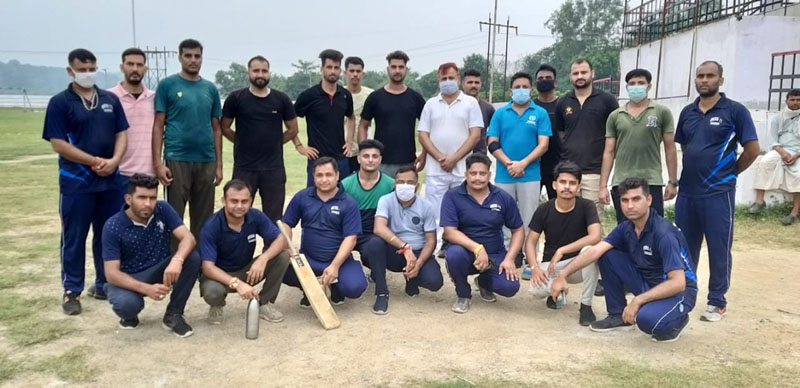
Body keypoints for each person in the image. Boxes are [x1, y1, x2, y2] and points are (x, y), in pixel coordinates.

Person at [551, 177, 698, 342]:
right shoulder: (627, 227)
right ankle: (617, 315)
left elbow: (678, 283)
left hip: (679, 292)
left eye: (636, 199)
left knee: (648, 321)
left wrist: (638, 300)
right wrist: (562, 275)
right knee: (606, 254)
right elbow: (595, 250)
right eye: (625, 200)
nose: (630, 206)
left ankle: (678, 320)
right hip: (648, 283)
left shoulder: (664, 234)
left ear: (649, 200)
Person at [43, 48, 129, 314]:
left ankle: (105, 283)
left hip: (111, 181)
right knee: (74, 236)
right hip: (76, 182)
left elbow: (122, 133)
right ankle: (72, 291)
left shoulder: (110, 100)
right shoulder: (60, 102)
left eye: (92, 68)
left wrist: (114, 160)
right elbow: (58, 143)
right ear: (71, 71)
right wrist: (92, 161)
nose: (88, 73)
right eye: (82, 68)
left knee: (107, 234)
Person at [674, 61, 759, 322]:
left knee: (719, 248)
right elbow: (686, 149)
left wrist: (729, 174)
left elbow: (752, 150)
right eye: (700, 76)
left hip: (718, 195)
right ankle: (685, 296)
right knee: (685, 249)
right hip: (687, 194)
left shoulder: (735, 111)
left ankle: (717, 301)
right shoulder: (687, 112)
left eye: (710, 76)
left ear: (720, 80)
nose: (704, 80)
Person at [102, 174, 202, 337]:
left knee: (192, 258)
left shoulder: (162, 209)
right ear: (128, 199)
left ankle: (173, 314)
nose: (148, 204)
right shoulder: (113, 226)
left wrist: (177, 260)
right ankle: (129, 313)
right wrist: (147, 289)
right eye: (141, 198)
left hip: (159, 269)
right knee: (127, 306)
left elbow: (188, 238)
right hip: (130, 277)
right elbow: (111, 273)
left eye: (152, 198)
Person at [152, 38, 223, 242]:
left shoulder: (210, 89)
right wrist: (158, 163)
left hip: (206, 160)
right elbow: (158, 125)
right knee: (173, 218)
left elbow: (216, 129)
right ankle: (175, 266)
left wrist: (218, 165)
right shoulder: (167, 85)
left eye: (197, 56)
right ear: (180, 57)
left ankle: (201, 266)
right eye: (188, 56)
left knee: (204, 219)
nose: (193, 60)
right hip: (177, 158)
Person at [198, 179, 291, 325]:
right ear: (224, 201)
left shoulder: (255, 216)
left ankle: (264, 303)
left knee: (283, 256)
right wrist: (236, 284)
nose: (239, 206)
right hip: (219, 275)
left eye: (244, 201)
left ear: (251, 200)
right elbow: (208, 268)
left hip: (247, 270)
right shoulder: (211, 226)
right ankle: (217, 305)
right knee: (212, 292)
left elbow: (282, 239)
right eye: (234, 201)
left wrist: (262, 259)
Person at [441, 154, 524, 313]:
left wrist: (510, 258)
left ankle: (484, 282)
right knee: (454, 255)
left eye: (482, 173)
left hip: (493, 256)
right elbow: (449, 232)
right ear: (466, 175)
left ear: (489, 175)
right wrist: (477, 248)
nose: (477, 178)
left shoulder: (502, 197)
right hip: (465, 255)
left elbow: (518, 229)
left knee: (510, 287)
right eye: (473, 173)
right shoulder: (453, 196)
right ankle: (463, 294)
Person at [220, 55, 298, 223]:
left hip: (273, 168)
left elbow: (292, 130)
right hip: (244, 167)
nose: (260, 75)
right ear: (248, 72)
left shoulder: (281, 99)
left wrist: (274, 142)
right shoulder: (236, 98)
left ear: (269, 73)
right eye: (256, 71)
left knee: (274, 217)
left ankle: (273, 249)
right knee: (237, 214)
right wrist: (242, 140)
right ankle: (239, 248)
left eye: (264, 71)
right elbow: (224, 127)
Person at [487, 71, 551, 272]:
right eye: (518, 87)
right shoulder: (500, 113)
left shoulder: (539, 113)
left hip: (530, 175)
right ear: (510, 90)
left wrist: (522, 163)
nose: (521, 90)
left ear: (531, 90)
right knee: (504, 217)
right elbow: (492, 143)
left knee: (530, 218)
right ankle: (509, 256)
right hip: (504, 175)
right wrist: (509, 164)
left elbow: (543, 145)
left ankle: (529, 262)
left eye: (525, 87)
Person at [281, 157, 368, 306]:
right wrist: (288, 246)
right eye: (319, 175)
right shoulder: (302, 197)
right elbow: (286, 224)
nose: (324, 179)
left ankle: (336, 287)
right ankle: (310, 290)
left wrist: (335, 266)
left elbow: (351, 238)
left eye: (328, 175)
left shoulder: (348, 202)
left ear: (337, 175)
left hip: (339, 262)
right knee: (279, 268)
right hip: (309, 259)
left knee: (355, 287)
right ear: (313, 177)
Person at [525, 161, 602, 326]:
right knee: (535, 290)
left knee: (591, 251)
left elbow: (595, 236)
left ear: (578, 187)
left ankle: (586, 305)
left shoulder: (586, 206)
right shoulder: (544, 209)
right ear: (554, 184)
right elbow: (530, 242)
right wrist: (534, 268)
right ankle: (555, 293)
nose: (567, 187)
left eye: (572, 183)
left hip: (579, 265)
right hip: (553, 266)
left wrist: (562, 250)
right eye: (563, 182)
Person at [418, 62, 484, 249]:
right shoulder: (430, 104)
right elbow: (423, 134)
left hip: (462, 167)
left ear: (459, 79)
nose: (448, 82)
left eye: (451, 78)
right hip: (435, 167)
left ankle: (459, 244)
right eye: (444, 78)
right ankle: (435, 245)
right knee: (435, 209)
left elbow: (475, 135)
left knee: (462, 206)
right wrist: (440, 157)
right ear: (439, 80)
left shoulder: (470, 103)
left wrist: (454, 158)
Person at [600, 68, 678, 224]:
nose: (636, 87)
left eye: (641, 83)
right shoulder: (615, 116)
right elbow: (609, 152)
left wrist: (672, 181)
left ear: (649, 86)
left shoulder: (661, 112)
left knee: (654, 227)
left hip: (651, 181)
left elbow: (670, 148)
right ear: (627, 87)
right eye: (632, 84)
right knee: (625, 228)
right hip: (621, 180)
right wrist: (603, 186)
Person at [363, 166, 443, 314]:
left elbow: (431, 241)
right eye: (400, 182)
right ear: (394, 184)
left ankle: (412, 278)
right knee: (373, 244)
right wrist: (405, 247)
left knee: (434, 282)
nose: (404, 186)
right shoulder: (385, 200)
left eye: (410, 182)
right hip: (395, 251)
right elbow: (379, 228)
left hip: (418, 252)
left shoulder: (426, 206)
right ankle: (381, 292)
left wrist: (418, 264)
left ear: (417, 186)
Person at [553, 58, 619, 218]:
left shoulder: (607, 100)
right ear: (570, 76)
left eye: (584, 72)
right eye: (575, 73)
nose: (579, 76)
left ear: (592, 74)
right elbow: (561, 133)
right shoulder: (563, 102)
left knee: (594, 220)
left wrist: (604, 182)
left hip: (594, 172)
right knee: (568, 220)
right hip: (568, 171)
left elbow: (614, 137)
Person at [358, 50, 426, 177]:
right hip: (381, 161)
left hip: (408, 161)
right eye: (393, 67)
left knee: (406, 197)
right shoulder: (375, 97)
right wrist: (364, 151)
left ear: (406, 69)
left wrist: (424, 153)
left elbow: (427, 128)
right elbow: (363, 125)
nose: (397, 71)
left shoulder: (415, 98)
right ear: (388, 69)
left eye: (401, 67)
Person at [294, 49, 355, 187]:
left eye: (336, 68)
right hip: (317, 159)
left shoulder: (345, 95)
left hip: (340, 158)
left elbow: (351, 117)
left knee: (343, 198)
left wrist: (349, 141)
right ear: (322, 69)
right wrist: (299, 146)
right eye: (329, 67)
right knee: (314, 201)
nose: (333, 71)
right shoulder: (308, 96)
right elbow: (289, 119)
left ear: (340, 70)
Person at [749, 89, 800, 225]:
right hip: (781, 149)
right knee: (765, 162)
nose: (795, 102)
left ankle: (794, 212)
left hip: (798, 152)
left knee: (799, 174)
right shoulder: (778, 118)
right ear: (787, 101)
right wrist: (783, 153)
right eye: (792, 99)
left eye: (798, 100)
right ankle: (760, 201)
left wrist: (795, 155)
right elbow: (773, 140)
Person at [341, 140, 395, 258]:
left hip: (374, 235)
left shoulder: (391, 185)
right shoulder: (345, 184)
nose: (370, 160)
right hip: (349, 232)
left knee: (376, 245)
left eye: (374, 156)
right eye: (366, 156)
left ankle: (377, 275)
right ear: (359, 159)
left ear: (380, 159)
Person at [109, 47, 155, 184]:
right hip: (118, 172)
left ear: (145, 69)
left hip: (148, 173)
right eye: (130, 64)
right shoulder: (109, 97)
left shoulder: (154, 98)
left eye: (139, 65)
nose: (135, 69)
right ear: (122, 67)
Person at [533, 64, 561, 200]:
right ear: (535, 83)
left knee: (557, 207)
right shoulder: (529, 107)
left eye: (548, 78)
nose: (544, 80)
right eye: (541, 78)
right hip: (533, 166)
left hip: (557, 166)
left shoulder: (563, 105)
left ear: (555, 82)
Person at [344, 56, 373, 174]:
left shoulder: (371, 95)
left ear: (363, 73)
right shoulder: (339, 94)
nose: (355, 74)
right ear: (345, 73)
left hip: (365, 151)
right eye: (351, 71)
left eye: (358, 71)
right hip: (343, 151)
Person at [462, 69, 496, 154]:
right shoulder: (455, 106)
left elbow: (495, 132)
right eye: (470, 82)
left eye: (477, 82)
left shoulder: (488, 108)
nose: (473, 85)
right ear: (463, 84)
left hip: (479, 158)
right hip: (456, 157)